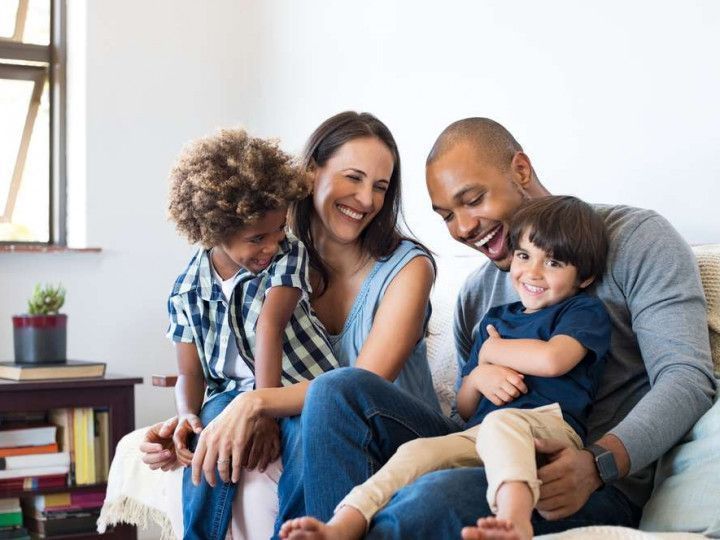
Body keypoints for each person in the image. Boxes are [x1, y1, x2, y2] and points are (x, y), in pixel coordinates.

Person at [291, 117, 716, 538]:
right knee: (337, 391)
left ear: (521, 170)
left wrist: (599, 464)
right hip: (489, 450)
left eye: (473, 199)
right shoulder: (477, 295)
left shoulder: (637, 239)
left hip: (582, 478)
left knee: (428, 500)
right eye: (446, 216)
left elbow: (687, 378)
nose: (463, 228)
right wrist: (480, 376)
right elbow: (466, 415)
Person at [139, 112, 448, 539]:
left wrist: (256, 403)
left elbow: (360, 387)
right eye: (353, 178)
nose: (366, 199)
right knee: (224, 431)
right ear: (310, 173)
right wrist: (190, 421)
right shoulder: (273, 257)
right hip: (318, 421)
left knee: (325, 404)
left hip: (395, 433)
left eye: (380, 186)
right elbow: (228, 360)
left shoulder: (407, 269)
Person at [280, 195, 611, 540]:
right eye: (524, 256)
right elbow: (465, 407)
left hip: (549, 430)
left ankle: (515, 520)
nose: (533, 272)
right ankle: (343, 524)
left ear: (584, 277)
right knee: (416, 452)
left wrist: (493, 351)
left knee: (503, 422)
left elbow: (553, 359)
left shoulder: (581, 312)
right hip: (479, 434)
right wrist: (480, 372)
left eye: (554, 263)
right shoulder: (496, 319)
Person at [163, 128, 340, 539]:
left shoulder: (287, 254)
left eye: (278, 229)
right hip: (229, 394)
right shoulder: (186, 289)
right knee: (209, 435)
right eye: (257, 238)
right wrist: (188, 414)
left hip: (301, 386)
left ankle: (296, 532)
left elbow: (269, 327)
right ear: (212, 230)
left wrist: (263, 409)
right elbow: (190, 373)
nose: (271, 244)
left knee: (303, 439)